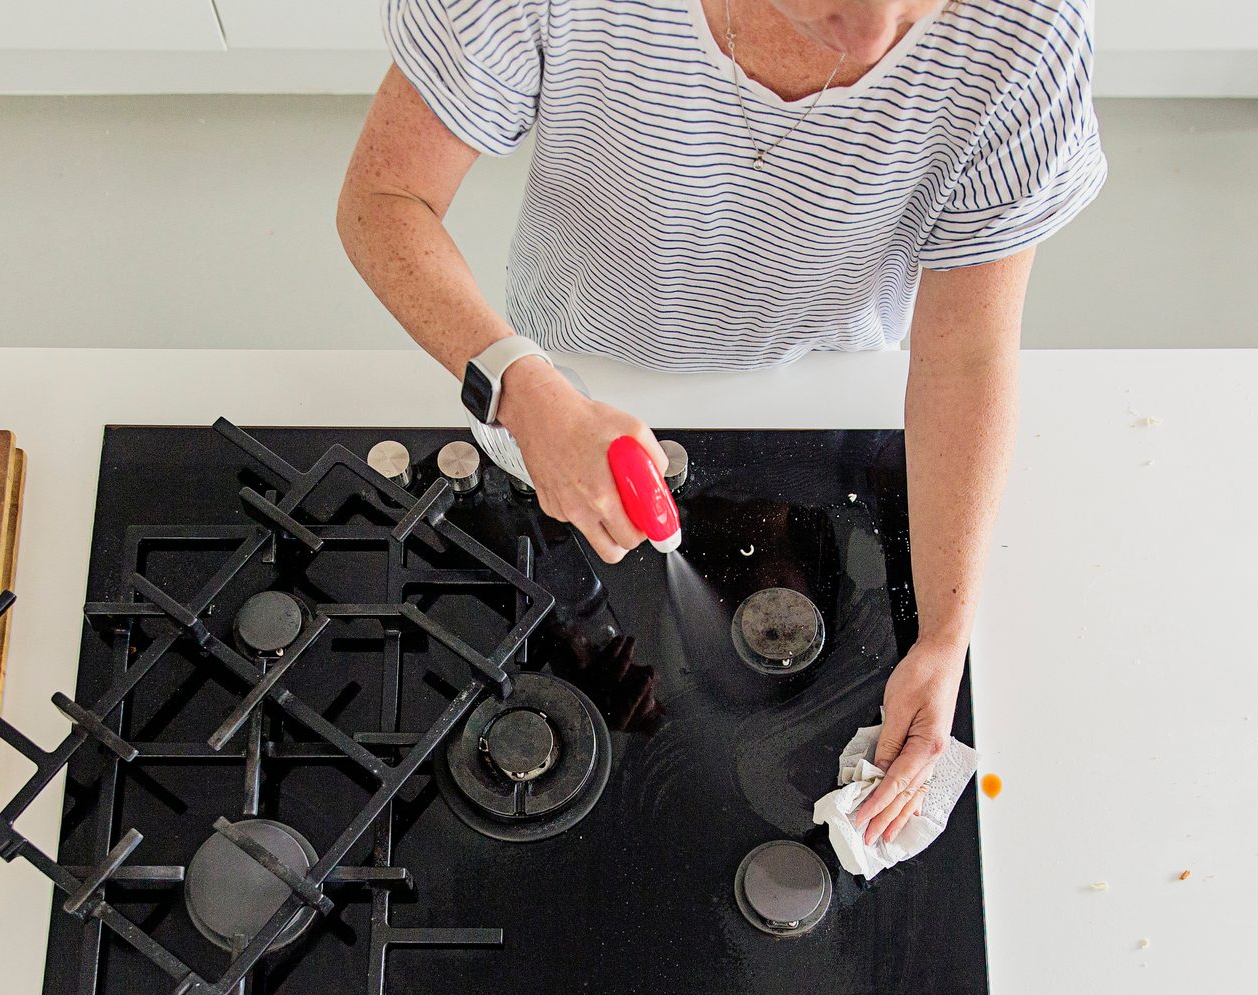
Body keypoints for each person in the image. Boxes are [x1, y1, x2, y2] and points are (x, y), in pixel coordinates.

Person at [338, 0, 1105, 850]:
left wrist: (944, 633)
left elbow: (966, 357)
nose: (876, 39)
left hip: (834, 384)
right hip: (574, 365)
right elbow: (385, 197)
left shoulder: (1029, 26)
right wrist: (522, 388)